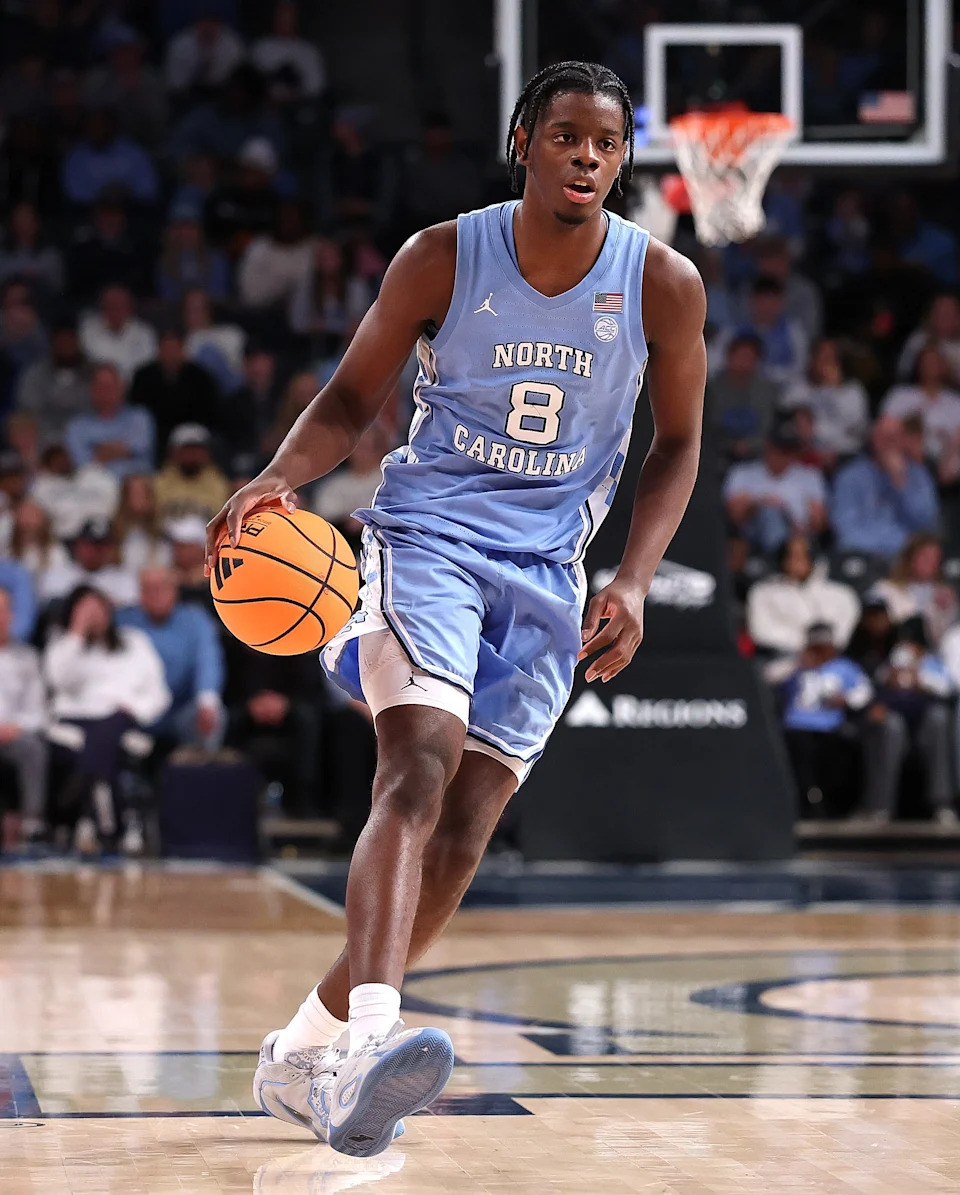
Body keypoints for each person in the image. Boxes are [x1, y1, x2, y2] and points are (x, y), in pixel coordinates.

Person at [206, 62, 706, 1153]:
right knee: (418, 760)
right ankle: (375, 1040)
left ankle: (305, 1051)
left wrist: (632, 578)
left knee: (470, 821)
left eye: (608, 144)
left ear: (623, 159)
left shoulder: (663, 282)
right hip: (426, 538)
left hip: (550, 570)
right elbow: (350, 397)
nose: (588, 157)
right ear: (524, 138)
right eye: (567, 135)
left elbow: (677, 445)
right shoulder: (443, 254)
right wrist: (278, 477)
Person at [44, 585, 169, 853]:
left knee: (105, 734)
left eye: (97, 608)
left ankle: (86, 814)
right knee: (99, 744)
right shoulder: (63, 646)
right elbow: (58, 681)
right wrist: (77, 634)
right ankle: (114, 826)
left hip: (121, 717)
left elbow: (159, 692)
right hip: (75, 720)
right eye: (85, 610)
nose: (93, 616)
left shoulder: (134, 642)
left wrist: (134, 709)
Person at [118, 566, 225, 750]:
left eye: (161, 587)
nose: (155, 594)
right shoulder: (123, 622)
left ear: (175, 590)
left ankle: (201, 772)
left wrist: (207, 700)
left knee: (214, 716)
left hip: (180, 706)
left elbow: (208, 661)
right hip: (136, 708)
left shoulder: (195, 619)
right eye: (148, 589)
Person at [780, 621, 874, 813]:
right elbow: (769, 677)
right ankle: (806, 800)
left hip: (831, 726)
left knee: (836, 754)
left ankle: (831, 804)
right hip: (797, 726)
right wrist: (798, 665)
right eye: (816, 646)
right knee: (798, 753)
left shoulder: (845, 666)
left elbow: (864, 692)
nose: (821, 651)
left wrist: (845, 699)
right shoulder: (797, 665)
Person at [747, 535, 860, 671]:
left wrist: (822, 646)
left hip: (832, 661)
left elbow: (843, 632)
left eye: (803, 555)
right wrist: (804, 644)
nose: (797, 561)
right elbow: (760, 631)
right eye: (791, 555)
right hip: (782, 661)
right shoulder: (763, 592)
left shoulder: (841, 594)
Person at [831, 416, 940, 559]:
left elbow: (926, 524)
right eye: (884, 437)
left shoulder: (918, 476)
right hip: (864, 556)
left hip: (906, 561)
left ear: (903, 440)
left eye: (894, 437)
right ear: (873, 440)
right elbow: (846, 530)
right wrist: (889, 546)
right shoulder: (850, 477)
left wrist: (901, 484)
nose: (889, 443)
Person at [723, 427, 828, 554]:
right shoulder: (743, 473)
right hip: (751, 538)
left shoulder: (809, 476)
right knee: (770, 514)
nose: (782, 455)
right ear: (768, 448)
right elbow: (734, 516)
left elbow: (819, 523)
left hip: (798, 538)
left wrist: (790, 514)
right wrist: (759, 502)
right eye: (779, 449)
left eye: (788, 451)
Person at [0, 586, 48, 845]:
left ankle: (32, 824)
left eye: (3, 610)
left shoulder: (27, 658)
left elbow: (38, 712)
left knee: (33, 748)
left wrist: (14, 728)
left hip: (12, 736)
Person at [128, 327, 221, 457]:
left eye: (174, 348)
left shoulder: (201, 377)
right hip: (156, 438)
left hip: (193, 437)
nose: (170, 354)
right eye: (166, 349)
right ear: (158, 350)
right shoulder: (143, 377)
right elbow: (137, 412)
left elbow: (211, 415)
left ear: (183, 349)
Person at [781, 339, 870, 460]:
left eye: (831, 359)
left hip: (844, 455)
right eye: (821, 358)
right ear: (812, 360)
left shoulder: (853, 390)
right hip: (804, 455)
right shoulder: (797, 389)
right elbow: (787, 425)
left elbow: (855, 429)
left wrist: (835, 390)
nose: (826, 365)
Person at [66, 362, 155, 481]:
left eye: (109, 386)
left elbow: (141, 449)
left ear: (122, 388)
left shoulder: (140, 418)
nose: (105, 392)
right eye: (100, 386)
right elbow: (82, 465)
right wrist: (122, 450)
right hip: (96, 489)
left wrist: (101, 451)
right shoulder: (77, 426)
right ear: (91, 390)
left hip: (135, 488)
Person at [710, 277, 808, 384]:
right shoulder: (732, 331)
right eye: (762, 301)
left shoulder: (793, 331)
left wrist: (769, 376)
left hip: (781, 389)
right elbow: (715, 362)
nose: (767, 307)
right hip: (740, 386)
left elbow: (801, 367)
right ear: (752, 301)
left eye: (771, 302)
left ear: (781, 303)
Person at [868, 533, 959, 648]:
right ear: (910, 558)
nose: (930, 563)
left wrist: (945, 612)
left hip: (932, 655)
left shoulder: (944, 594)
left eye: (935, 559)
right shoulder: (884, 590)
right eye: (925, 557)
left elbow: (948, 639)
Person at [881, 346, 960, 474]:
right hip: (905, 456)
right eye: (926, 362)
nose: (931, 367)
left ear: (944, 366)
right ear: (918, 365)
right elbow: (884, 429)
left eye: (935, 362)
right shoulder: (900, 395)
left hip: (947, 460)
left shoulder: (956, 402)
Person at [706, 333, 780, 462]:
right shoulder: (711, 389)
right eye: (740, 357)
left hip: (757, 455)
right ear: (729, 356)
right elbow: (708, 426)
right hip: (716, 454)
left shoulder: (767, 391)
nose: (743, 363)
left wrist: (750, 444)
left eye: (749, 358)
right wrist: (730, 445)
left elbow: (768, 427)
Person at [16, 318, 90, 444]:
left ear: (78, 343)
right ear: (52, 344)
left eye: (69, 341)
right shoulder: (35, 375)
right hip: (44, 440)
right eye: (61, 341)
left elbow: (98, 411)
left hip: (86, 438)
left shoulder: (93, 374)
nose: (65, 346)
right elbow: (29, 411)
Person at [38, 517, 138, 610]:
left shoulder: (125, 579)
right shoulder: (57, 575)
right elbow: (50, 611)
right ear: (77, 545)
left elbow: (130, 614)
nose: (94, 551)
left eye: (101, 545)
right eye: (89, 544)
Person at [29, 442, 119, 542]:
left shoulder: (94, 475)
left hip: (102, 534)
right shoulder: (42, 487)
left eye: (63, 456)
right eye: (56, 459)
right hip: (65, 539)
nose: (62, 462)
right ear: (47, 465)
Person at [154, 424, 231, 524]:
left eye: (196, 449)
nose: (191, 455)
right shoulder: (158, 482)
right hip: (164, 538)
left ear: (207, 453)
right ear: (173, 452)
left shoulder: (220, 483)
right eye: (186, 449)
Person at [79, 285, 158, 381]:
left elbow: (147, 369)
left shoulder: (145, 333)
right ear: (102, 307)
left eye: (120, 305)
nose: (115, 310)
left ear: (130, 307)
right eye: (110, 305)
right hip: (102, 389)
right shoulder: (88, 332)